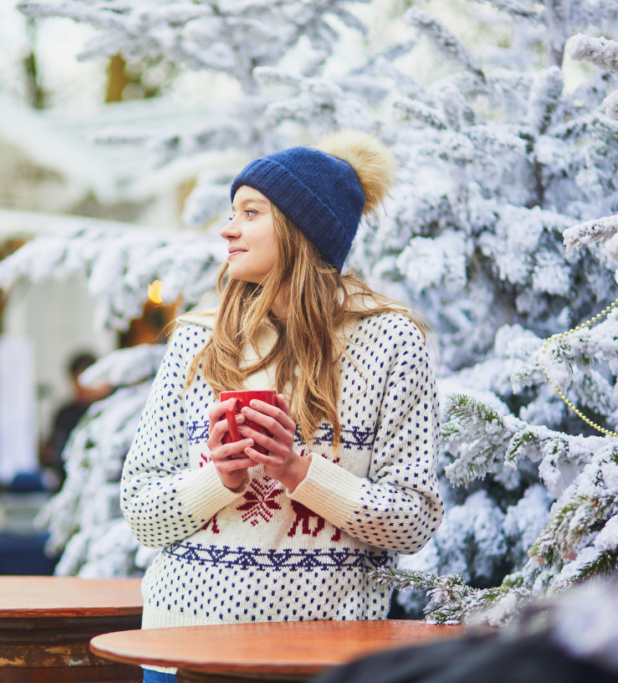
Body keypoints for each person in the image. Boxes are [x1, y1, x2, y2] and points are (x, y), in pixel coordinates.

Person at [120, 131, 443, 681]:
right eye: (231, 212)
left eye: (250, 212)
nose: (228, 228)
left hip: (323, 655)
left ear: (300, 229)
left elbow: (413, 521)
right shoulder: (197, 339)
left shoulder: (391, 342)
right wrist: (218, 479)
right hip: (183, 647)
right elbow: (141, 512)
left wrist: (298, 471)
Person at [42, 352, 111, 486]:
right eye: (78, 382)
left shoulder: (112, 409)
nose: (83, 388)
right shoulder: (65, 414)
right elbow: (54, 451)